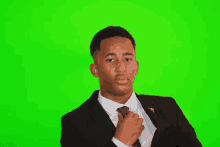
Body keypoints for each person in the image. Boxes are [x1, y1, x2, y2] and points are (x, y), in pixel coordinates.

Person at [60, 26, 203, 147]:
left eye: (127, 59)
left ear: (136, 67)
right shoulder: (74, 123)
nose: (121, 68)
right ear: (95, 70)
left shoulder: (168, 108)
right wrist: (120, 142)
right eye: (111, 60)